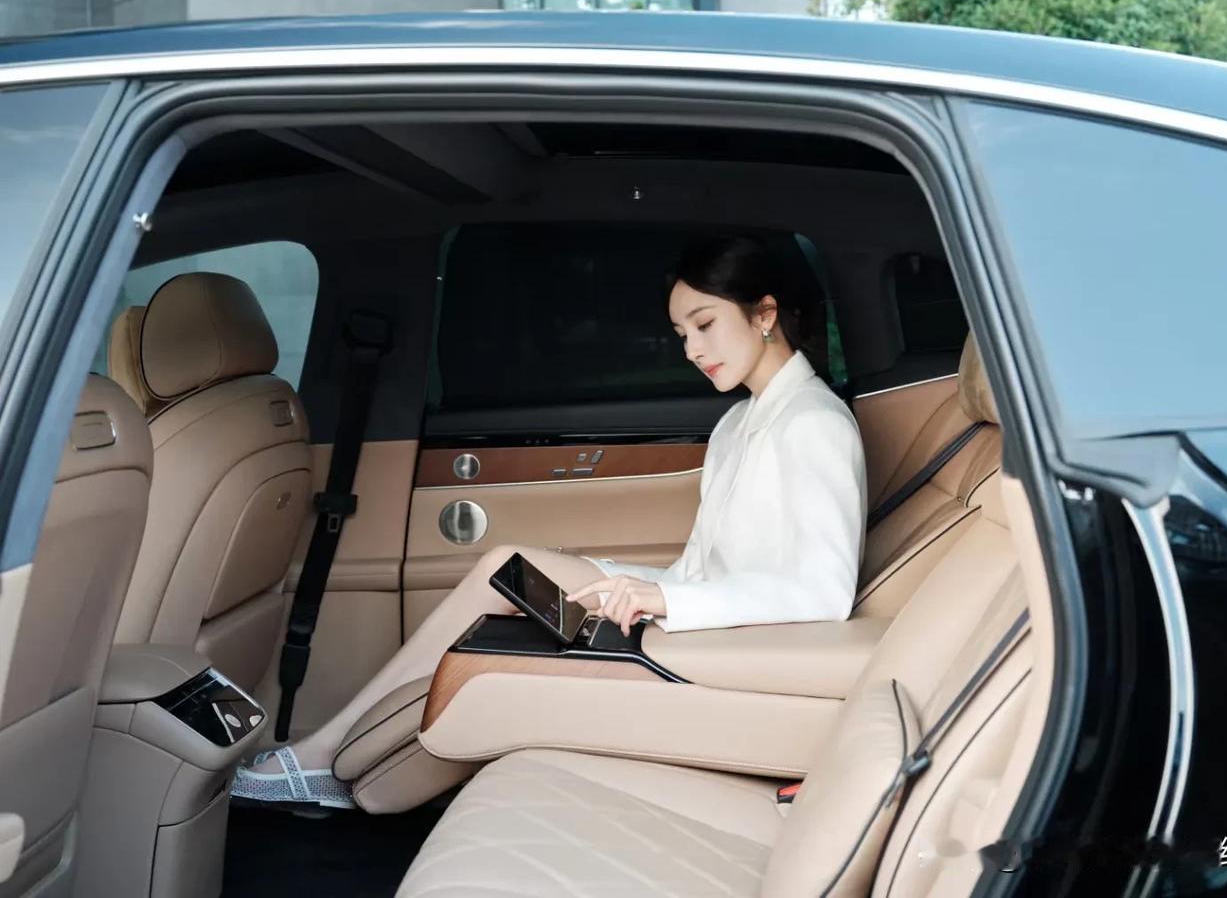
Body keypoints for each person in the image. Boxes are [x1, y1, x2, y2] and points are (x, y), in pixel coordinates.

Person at [231, 235, 867, 808]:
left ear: (764, 314)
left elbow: (824, 590)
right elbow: (703, 565)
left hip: (731, 643)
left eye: (705, 324)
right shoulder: (737, 422)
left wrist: (666, 598)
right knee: (507, 569)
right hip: (704, 612)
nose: (692, 350)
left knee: (510, 581)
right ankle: (337, 748)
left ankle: (326, 753)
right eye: (681, 334)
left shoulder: (815, 423)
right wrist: (628, 583)